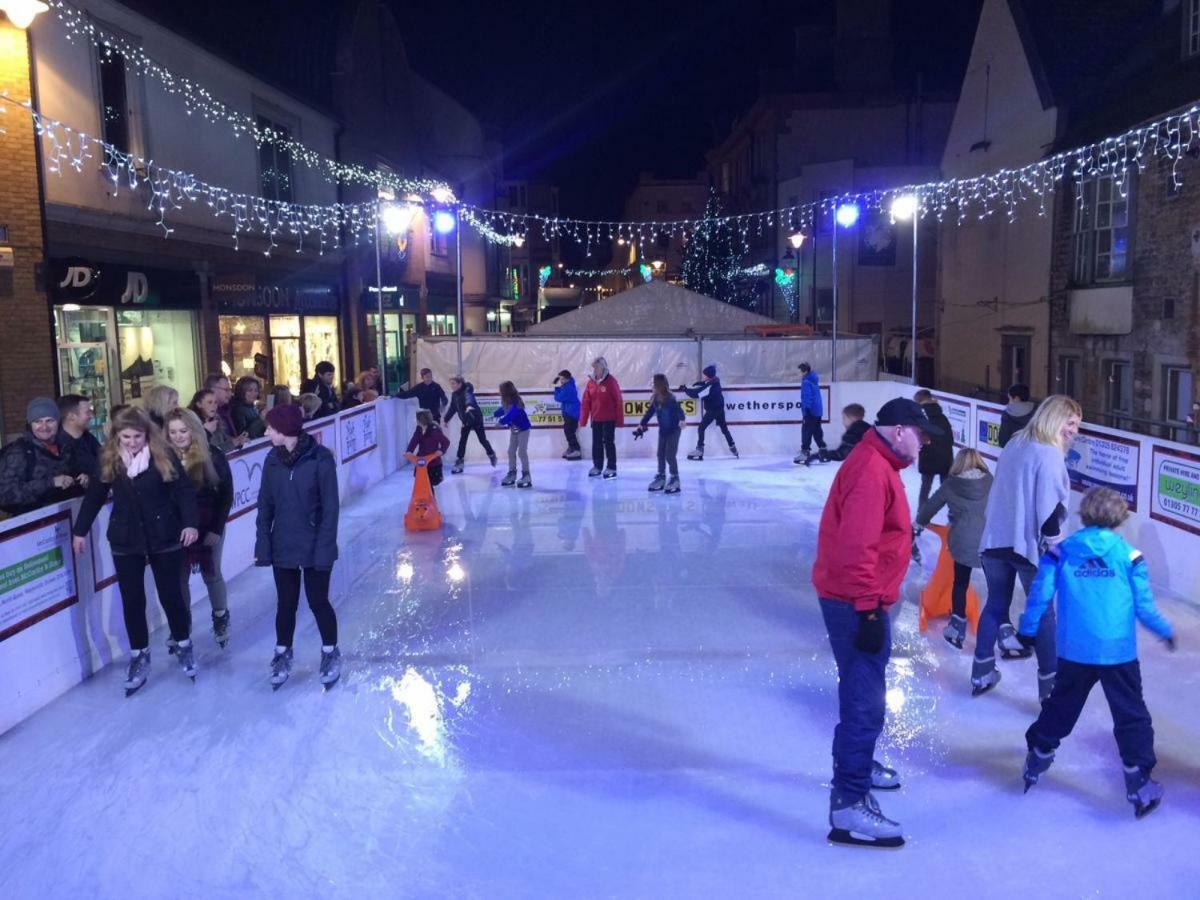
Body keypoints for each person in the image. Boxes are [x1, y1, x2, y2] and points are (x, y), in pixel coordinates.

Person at [811, 397, 942, 848]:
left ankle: (858, 766)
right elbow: (856, 548)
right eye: (921, 435)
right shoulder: (871, 471)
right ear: (901, 429)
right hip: (855, 601)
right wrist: (868, 608)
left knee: (861, 689)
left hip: (861, 598)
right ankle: (849, 804)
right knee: (865, 701)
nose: (924, 444)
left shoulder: (879, 463)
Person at [1017, 487, 1175, 819]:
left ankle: (1039, 753)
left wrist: (1028, 630)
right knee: (1131, 715)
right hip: (1117, 652)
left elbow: (1040, 594)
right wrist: (1165, 631)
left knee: (1061, 705)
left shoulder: (1061, 553)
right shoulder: (1130, 556)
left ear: (1085, 514)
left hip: (1075, 650)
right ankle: (1138, 778)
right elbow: (1145, 608)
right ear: (1119, 517)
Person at [71, 406, 199, 694]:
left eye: (137, 436)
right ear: (117, 435)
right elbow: (94, 497)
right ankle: (139, 653)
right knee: (132, 600)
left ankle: (183, 643)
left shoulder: (162, 455)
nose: (131, 442)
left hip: (164, 535)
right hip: (126, 538)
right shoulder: (109, 459)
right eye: (126, 437)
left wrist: (190, 523)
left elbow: (183, 491)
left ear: (147, 434)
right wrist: (80, 531)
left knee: (171, 595)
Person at [972, 395, 1081, 699]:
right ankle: (1050, 689)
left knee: (996, 604)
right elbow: (1048, 516)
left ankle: (981, 672)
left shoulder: (1015, 442)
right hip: (1026, 546)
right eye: (1070, 423)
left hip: (995, 540)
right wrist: (1057, 552)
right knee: (1044, 614)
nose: (1073, 431)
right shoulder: (1049, 454)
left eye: (1077, 425)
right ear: (1054, 418)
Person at [255, 403, 341, 690]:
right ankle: (282, 652)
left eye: (270, 428)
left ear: (284, 430)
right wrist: (263, 543)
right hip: (283, 544)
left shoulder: (319, 459)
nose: (266, 431)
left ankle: (330, 651)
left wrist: (325, 548)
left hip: (315, 544)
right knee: (285, 604)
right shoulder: (271, 460)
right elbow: (265, 505)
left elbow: (331, 509)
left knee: (318, 601)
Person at [165, 408, 233, 649]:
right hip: (178, 528)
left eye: (183, 431)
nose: (178, 436)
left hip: (209, 523)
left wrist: (216, 528)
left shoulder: (212, 455)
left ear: (193, 430)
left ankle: (220, 616)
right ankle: (182, 626)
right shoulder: (163, 459)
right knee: (179, 577)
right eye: (172, 432)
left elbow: (226, 494)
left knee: (211, 573)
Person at [913, 448, 993, 649]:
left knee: (960, 582)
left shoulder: (951, 485)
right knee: (996, 586)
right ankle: (998, 628)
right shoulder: (991, 481)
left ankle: (957, 628)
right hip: (989, 541)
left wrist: (919, 525)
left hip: (963, 542)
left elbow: (929, 507)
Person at [0, 398, 83, 516]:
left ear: (58, 422)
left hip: (66, 520)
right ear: (30, 425)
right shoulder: (19, 452)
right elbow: (5, 495)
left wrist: (83, 479)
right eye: (38, 421)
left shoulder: (66, 447)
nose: (44, 427)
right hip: (34, 527)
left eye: (49, 420)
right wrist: (50, 483)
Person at [633, 374, 686, 493]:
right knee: (660, 454)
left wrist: (682, 420)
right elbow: (649, 413)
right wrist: (641, 425)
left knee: (670, 455)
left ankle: (675, 478)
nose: (651, 385)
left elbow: (680, 411)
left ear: (659, 385)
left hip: (673, 430)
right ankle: (661, 476)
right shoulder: (656, 399)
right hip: (663, 431)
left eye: (653, 383)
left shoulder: (671, 398)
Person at [680, 364, 737, 461]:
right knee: (724, 429)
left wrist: (685, 389)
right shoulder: (715, 381)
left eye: (705, 375)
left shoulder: (711, 385)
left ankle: (699, 450)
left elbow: (697, 394)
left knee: (701, 428)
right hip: (719, 409)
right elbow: (706, 386)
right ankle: (733, 447)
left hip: (713, 410)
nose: (703, 376)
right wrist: (702, 383)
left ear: (709, 375)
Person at [580, 356, 623, 479]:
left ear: (603, 367)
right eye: (594, 367)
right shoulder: (591, 383)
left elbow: (618, 400)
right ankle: (597, 466)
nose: (595, 370)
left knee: (609, 443)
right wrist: (583, 420)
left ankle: (611, 467)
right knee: (596, 444)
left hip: (609, 419)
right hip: (596, 419)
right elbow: (586, 401)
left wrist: (619, 420)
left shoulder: (611, 381)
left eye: (597, 367)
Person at [445, 375, 496, 473]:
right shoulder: (454, 394)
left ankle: (491, 454)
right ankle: (459, 462)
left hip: (475, 418)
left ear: (460, 384)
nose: (452, 386)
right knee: (462, 440)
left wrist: (469, 405)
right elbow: (452, 408)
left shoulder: (467, 390)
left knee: (482, 440)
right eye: (451, 384)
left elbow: (469, 398)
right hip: (466, 420)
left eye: (453, 383)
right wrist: (446, 419)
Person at [914, 389, 954, 508]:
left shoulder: (920, 417)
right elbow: (950, 438)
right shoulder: (942, 416)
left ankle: (921, 516)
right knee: (947, 489)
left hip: (928, 456)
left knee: (925, 488)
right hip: (945, 456)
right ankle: (952, 516)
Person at [493, 381, 533, 488]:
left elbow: (511, 414)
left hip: (523, 429)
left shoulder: (516, 401)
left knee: (522, 452)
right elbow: (505, 409)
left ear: (506, 391)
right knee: (511, 451)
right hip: (514, 430)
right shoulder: (506, 401)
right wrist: (496, 413)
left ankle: (526, 475)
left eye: (501, 390)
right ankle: (512, 473)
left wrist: (500, 422)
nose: (499, 392)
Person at [56, 394, 101, 480]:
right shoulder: (57, 445)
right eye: (88, 412)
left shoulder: (89, 439)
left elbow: (105, 464)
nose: (92, 416)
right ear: (71, 416)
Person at [405, 409, 451, 491]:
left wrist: (441, 451)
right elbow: (414, 440)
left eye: (417, 419)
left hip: (433, 462)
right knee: (422, 483)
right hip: (421, 462)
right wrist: (409, 451)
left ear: (421, 420)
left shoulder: (434, 430)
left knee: (429, 484)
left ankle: (430, 500)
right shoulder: (419, 430)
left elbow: (446, 442)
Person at [794, 362, 827, 464]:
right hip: (817, 411)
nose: (799, 373)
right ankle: (823, 451)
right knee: (817, 431)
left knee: (806, 431)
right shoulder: (814, 380)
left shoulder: (806, 382)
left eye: (800, 371)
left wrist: (806, 410)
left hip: (810, 411)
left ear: (805, 371)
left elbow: (807, 397)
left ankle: (805, 452)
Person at [204, 373, 245, 447]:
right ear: (212, 390)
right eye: (226, 390)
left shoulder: (229, 409)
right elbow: (212, 448)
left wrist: (238, 440)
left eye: (230, 389)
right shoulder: (204, 415)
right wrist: (233, 443)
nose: (230, 393)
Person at [189, 389, 235, 453]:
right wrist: (233, 443)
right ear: (199, 404)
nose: (214, 406)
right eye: (209, 402)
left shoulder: (216, 420)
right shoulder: (192, 424)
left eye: (215, 402)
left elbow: (225, 438)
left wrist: (238, 440)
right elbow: (209, 451)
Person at [553, 369, 583, 460]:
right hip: (569, 412)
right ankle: (571, 448)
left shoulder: (568, 388)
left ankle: (576, 450)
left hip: (571, 413)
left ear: (567, 379)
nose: (560, 381)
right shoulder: (567, 385)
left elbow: (558, 398)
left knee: (570, 432)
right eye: (560, 379)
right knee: (568, 431)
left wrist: (556, 388)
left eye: (562, 379)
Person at [999, 383, 1036, 448]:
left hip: (1013, 453)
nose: (1008, 402)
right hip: (1030, 452)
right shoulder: (1036, 412)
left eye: (1010, 399)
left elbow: (1002, 441)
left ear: (1016, 398)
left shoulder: (1007, 415)